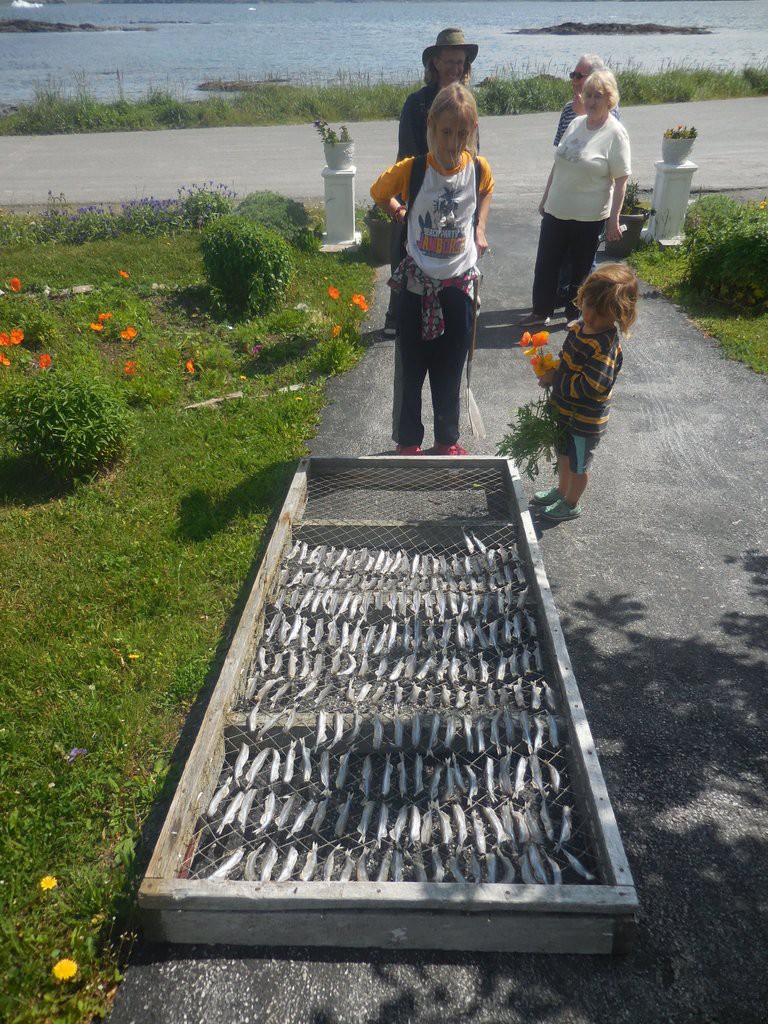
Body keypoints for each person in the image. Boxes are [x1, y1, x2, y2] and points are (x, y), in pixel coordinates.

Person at [371, 83, 493, 456]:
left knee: (450, 368)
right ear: (431, 124)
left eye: (462, 133)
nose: (454, 143)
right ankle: (409, 442)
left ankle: (446, 440)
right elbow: (379, 191)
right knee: (411, 368)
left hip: (458, 287)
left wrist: (479, 227)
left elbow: (487, 190)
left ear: (471, 131)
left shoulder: (476, 167)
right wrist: (398, 210)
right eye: (446, 132)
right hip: (417, 286)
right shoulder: (414, 169)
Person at [383, 28, 479, 339]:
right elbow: (406, 152)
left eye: (461, 63)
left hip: (455, 190)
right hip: (421, 184)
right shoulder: (417, 103)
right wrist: (408, 200)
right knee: (407, 250)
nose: (456, 69)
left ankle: (450, 310)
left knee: (451, 256)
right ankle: (398, 314)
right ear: (435, 62)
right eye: (450, 61)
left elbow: (473, 152)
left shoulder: (466, 101)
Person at [518, 68, 630, 328]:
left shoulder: (615, 133)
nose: (590, 101)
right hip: (557, 208)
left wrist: (614, 219)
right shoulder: (575, 123)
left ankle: (575, 318)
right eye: (588, 94)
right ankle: (540, 311)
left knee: (580, 272)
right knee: (546, 264)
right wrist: (545, 198)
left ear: (610, 99)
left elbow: (621, 179)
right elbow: (558, 164)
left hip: (588, 216)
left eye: (597, 96)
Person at [530, 263, 639, 522]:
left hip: (585, 420)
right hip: (566, 412)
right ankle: (560, 489)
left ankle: (571, 502)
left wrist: (556, 379)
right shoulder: (580, 328)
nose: (590, 316)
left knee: (579, 464)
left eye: (600, 314)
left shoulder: (605, 347)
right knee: (563, 454)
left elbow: (590, 387)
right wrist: (552, 368)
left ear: (618, 315)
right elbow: (567, 359)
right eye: (588, 306)